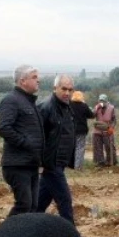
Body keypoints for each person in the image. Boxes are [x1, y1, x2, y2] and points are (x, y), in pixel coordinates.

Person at [0, 65, 44, 216]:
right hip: (17, 165)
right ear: (23, 81)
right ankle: (6, 236)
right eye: (34, 77)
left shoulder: (29, 102)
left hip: (30, 164)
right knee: (24, 205)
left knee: (33, 206)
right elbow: (3, 128)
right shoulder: (11, 100)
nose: (39, 80)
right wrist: (26, 143)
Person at [36, 75, 78, 223]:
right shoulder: (46, 107)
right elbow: (37, 137)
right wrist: (39, 162)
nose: (67, 93)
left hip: (59, 162)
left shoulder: (66, 107)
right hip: (51, 164)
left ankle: (25, 228)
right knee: (65, 201)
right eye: (64, 89)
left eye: (70, 90)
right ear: (55, 88)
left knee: (39, 203)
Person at [69, 90, 93, 170]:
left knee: (72, 147)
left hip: (71, 129)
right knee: (80, 148)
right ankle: (78, 167)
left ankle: (70, 165)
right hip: (81, 130)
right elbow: (91, 115)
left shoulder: (69, 105)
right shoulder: (84, 105)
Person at [92, 95, 118, 167]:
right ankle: (100, 162)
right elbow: (92, 115)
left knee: (109, 146)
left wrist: (111, 128)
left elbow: (114, 120)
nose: (101, 102)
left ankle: (111, 161)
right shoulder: (97, 107)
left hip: (107, 129)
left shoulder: (111, 107)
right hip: (97, 130)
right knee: (97, 147)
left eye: (103, 101)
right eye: (100, 100)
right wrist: (96, 108)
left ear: (106, 101)